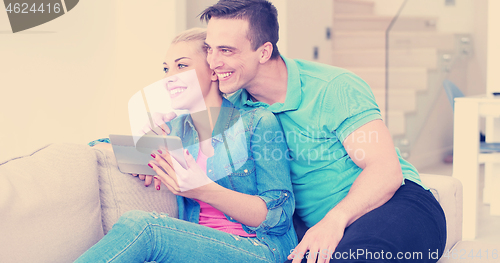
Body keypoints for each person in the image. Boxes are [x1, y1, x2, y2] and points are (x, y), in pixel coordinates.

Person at [194, 1, 446, 262]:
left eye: (226, 50)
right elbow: (194, 149)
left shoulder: (333, 88)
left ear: (264, 51)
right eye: (210, 49)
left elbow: (385, 171)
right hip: (322, 228)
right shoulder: (234, 112)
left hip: (396, 205)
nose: (213, 62)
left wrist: (333, 221)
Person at [77, 27, 297, 263]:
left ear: (213, 72)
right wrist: (143, 142)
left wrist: (202, 189)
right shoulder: (174, 131)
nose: (168, 78)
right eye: (165, 68)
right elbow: (97, 146)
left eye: (181, 66)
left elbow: (279, 215)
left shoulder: (256, 123)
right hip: (197, 245)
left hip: (259, 248)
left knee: (144, 227)